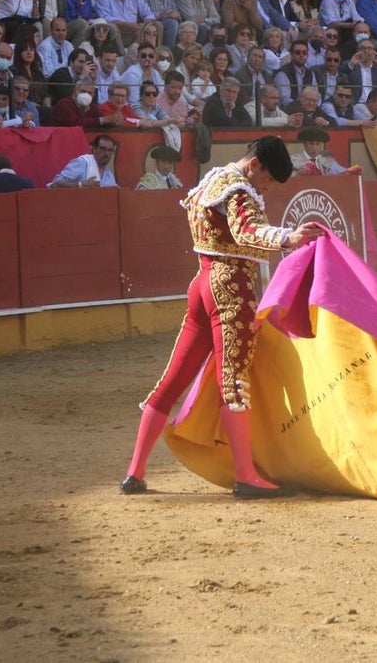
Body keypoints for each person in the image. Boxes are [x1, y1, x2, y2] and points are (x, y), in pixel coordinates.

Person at [121, 137, 322, 497]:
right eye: (269, 180)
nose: (268, 188)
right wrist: (288, 237)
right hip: (230, 287)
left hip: (201, 283)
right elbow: (246, 230)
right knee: (234, 382)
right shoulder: (239, 190)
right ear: (255, 163)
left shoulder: (213, 179)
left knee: (173, 379)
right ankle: (246, 475)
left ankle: (134, 471)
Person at [49, 134, 120, 188]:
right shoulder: (83, 163)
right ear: (94, 149)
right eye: (102, 149)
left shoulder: (108, 174)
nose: (107, 153)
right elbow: (55, 183)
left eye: (110, 150)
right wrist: (80, 184)